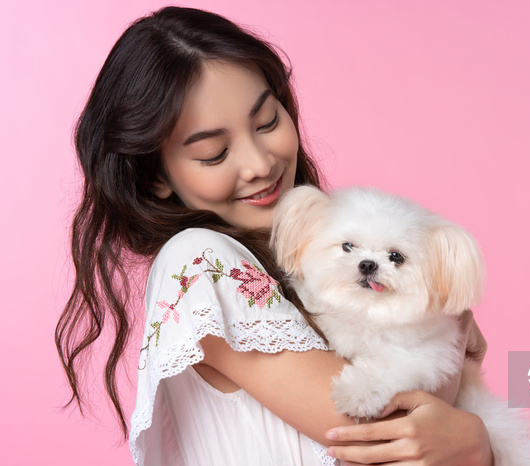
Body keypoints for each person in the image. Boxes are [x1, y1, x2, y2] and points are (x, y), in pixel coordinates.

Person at [55, 6, 494, 465]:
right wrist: (448, 315)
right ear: (154, 176)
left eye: (267, 121)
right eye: (214, 152)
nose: (260, 164)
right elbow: (379, 435)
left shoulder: (303, 263)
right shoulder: (200, 261)